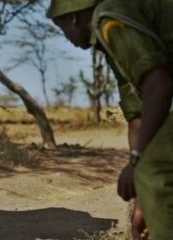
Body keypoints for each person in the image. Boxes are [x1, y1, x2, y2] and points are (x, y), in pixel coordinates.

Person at [47, 0, 173, 239]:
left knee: (155, 169)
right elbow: (137, 114)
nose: (66, 38)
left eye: (61, 27)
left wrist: (138, 164)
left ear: (73, 18)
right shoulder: (112, 35)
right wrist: (142, 202)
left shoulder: (109, 18)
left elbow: (159, 85)